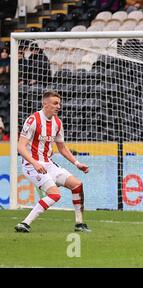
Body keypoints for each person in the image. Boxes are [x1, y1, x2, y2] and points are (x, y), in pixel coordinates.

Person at [15, 91, 91, 233]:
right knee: (55, 195)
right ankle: (25, 223)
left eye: (59, 103)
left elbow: (62, 147)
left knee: (77, 185)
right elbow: (20, 146)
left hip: (48, 164)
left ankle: (79, 224)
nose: (59, 106)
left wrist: (77, 163)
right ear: (45, 104)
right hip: (31, 165)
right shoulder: (33, 120)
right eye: (55, 103)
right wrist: (34, 163)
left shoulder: (57, 122)